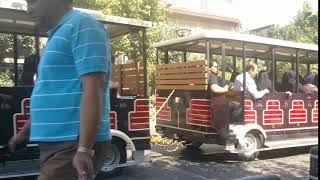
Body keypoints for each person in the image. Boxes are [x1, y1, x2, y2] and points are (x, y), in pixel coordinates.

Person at [8, 0, 112, 180]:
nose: (28, 9)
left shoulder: (83, 25)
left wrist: (84, 148)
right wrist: (25, 132)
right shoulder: (57, 34)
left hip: (72, 142)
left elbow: (94, 87)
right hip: (60, 142)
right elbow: (50, 92)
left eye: (32, 1)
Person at [208, 62, 240, 139]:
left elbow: (226, 82)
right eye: (215, 66)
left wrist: (230, 85)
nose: (217, 68)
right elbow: (215, 89)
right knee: (238, 105)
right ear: (209, 68)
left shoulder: (209, 76)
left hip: (211, 101)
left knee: (232, 103)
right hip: (217, 102)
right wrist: (225, 89)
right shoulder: (211, 76)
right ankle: (230, 126)